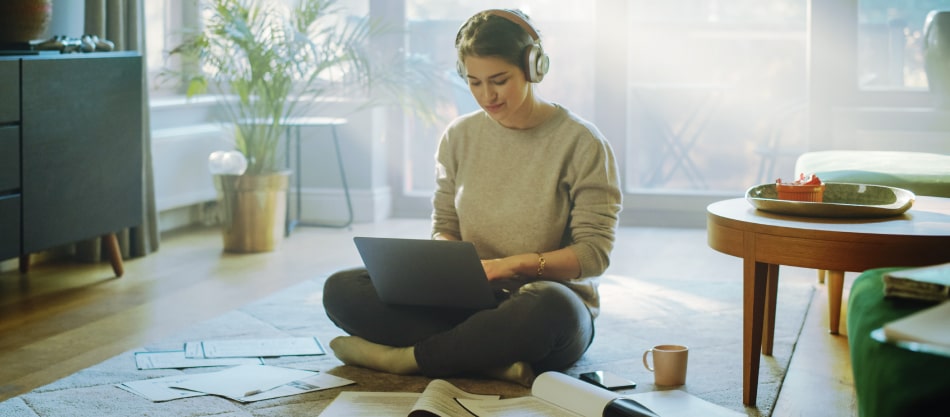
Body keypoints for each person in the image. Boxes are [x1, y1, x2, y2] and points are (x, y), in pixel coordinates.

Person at [322, 8, 622, 387]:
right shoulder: (459, 136)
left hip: (540, 305)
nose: (487, 96)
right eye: (474, 82)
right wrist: (447, 264)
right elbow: (444, 227)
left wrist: (508, 266)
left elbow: (594, 255)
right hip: (467, 301)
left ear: (533, 68)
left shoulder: (582, 142)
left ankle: (408, 359)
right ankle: (484, 359)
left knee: (551, 307)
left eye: (499, 80)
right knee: (342, 289)